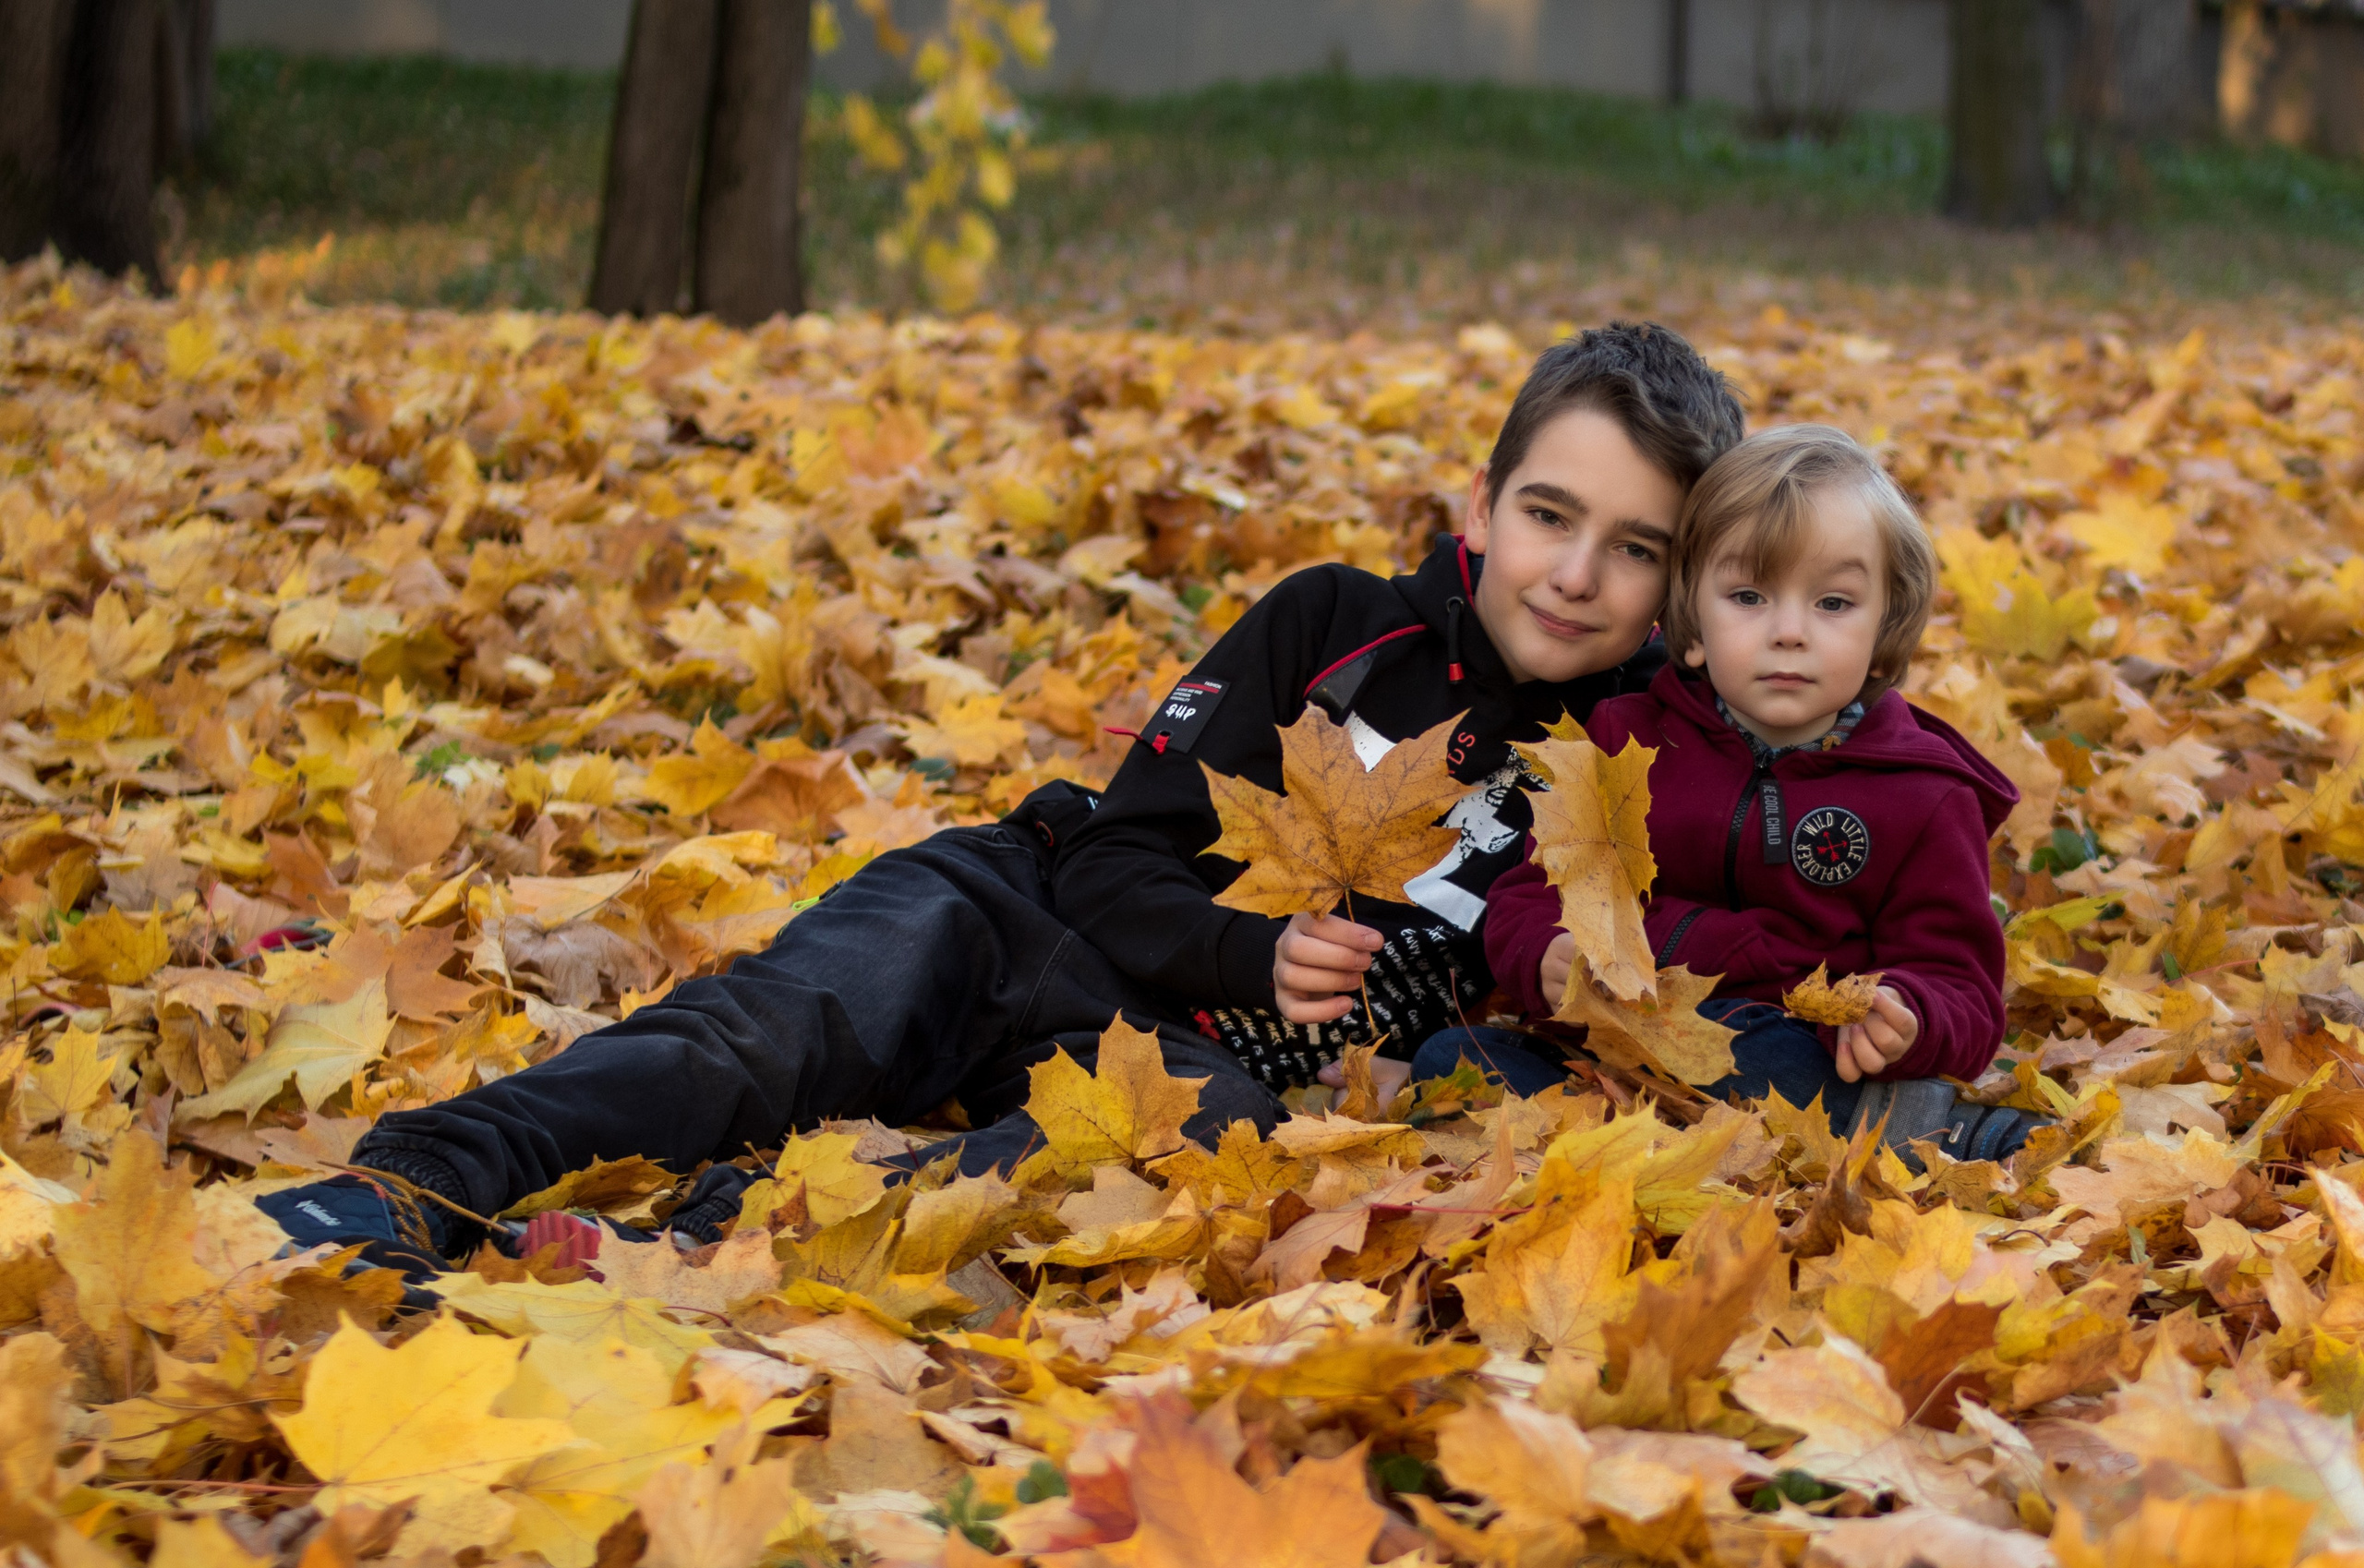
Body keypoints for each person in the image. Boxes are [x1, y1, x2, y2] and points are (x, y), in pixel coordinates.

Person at [258, 322, 1747, 1273]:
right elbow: (1119, 856)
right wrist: (1250, 956)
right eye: (1549, 516)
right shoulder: (1337, 621)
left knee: (1163, 1141)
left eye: (1632, 548)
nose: (1573, 571)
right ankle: (426, 1180)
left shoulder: (1630, 775)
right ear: (1480, 512)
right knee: (773, 1034)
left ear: (1679, 590)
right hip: (1024, 909)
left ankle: (679, 1252)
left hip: (1179, 1068)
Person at [1416, 423, 2048, 1163]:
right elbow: (1533, 894)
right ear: (1690, 627)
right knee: (1450, 1063)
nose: (1788, 631)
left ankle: (1926, 1129)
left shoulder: (1920, 796)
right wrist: (1544, 954)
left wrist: (1906, 1015)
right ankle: (1648, 1155)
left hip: (1791, 1056)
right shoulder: (1622, 741)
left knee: (1757, 1047)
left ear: (1885, 629)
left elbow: (1963, 986)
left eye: (1834, 604)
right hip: (1615, 1048)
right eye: (1748, 596)